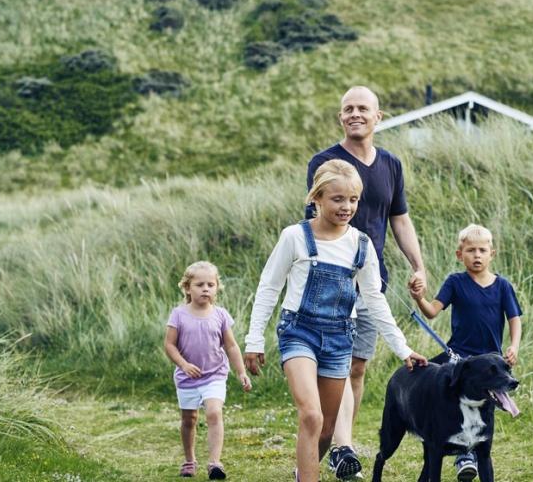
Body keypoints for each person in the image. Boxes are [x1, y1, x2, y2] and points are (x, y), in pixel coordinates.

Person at [243, 159, 428, 482]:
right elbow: (268, 287)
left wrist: (403, 349)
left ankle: (305, 472)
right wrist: (254, 339)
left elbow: (374, 299)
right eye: (337, 199)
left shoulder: (361, 245)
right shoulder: (294, 237)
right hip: (299, 332)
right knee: (311, 416)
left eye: (353, 199)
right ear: (316, 198)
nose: (347, 207)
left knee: (327, 429)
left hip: (340, 337)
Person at [304, 86, 428, 480]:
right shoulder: (324, 161)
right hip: (331, 284)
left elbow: (400, 219)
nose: (354, 114)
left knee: (357, 368)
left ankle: (344, 446)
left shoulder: (390, 164)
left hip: (372, 282)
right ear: (341, 116)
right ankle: (339, 446)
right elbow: (312, 218)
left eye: (363, 108)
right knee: (335, 369)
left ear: (379, 117)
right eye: (347, 109)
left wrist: (418, 264)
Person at [410, 224, 523, 482]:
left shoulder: (503, 286)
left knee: (484, 412)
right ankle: (441, 457)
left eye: (482, 250)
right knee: (446, 406)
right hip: (460, 361)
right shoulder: (455, 282)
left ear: (492, 253)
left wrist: (514, 346)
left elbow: (514, 318)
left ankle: (469, 454)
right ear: (459, 254)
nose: (477, 255)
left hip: (492, 365)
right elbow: (432, 311)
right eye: (470, 250)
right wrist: (418, 298)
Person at [164, 261, 252, 480]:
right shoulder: (178, 315)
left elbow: (231, 346)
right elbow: (169, 345)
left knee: (214, 412)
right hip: (186, 378)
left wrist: (241, 371)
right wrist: (183, 364)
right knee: (189, 419)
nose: (205, 289)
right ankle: (189, 459)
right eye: (199, 284)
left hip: (215, 375)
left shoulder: (220, 315)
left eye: (210, 284)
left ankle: (214, 463)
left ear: (216, 288)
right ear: (187, 288)